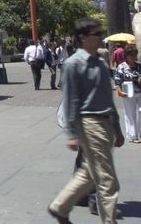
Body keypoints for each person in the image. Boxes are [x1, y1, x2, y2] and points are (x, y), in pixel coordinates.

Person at [48, 18, 124, 224]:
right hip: (90, 124)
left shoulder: (100, 62)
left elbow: (108, 97)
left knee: (90, 173)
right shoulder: (73, 64)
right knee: (108, 181)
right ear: (83, 37)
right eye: (97, 34)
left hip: (106, 123)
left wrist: (117, 127)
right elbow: (72, 99)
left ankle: (60, 206)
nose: (101, 38)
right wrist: (72, 134)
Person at [114, 46, 141, 143]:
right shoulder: (121, 67)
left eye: (135, 54)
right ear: (126, 56)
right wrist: (119, 91)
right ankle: (133, 136)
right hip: (127, 94)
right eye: (131, 55)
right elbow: (117, 81)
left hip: (139, 93)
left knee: (140, 112)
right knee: (130, 114)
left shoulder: (139, 66)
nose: (133, 57)